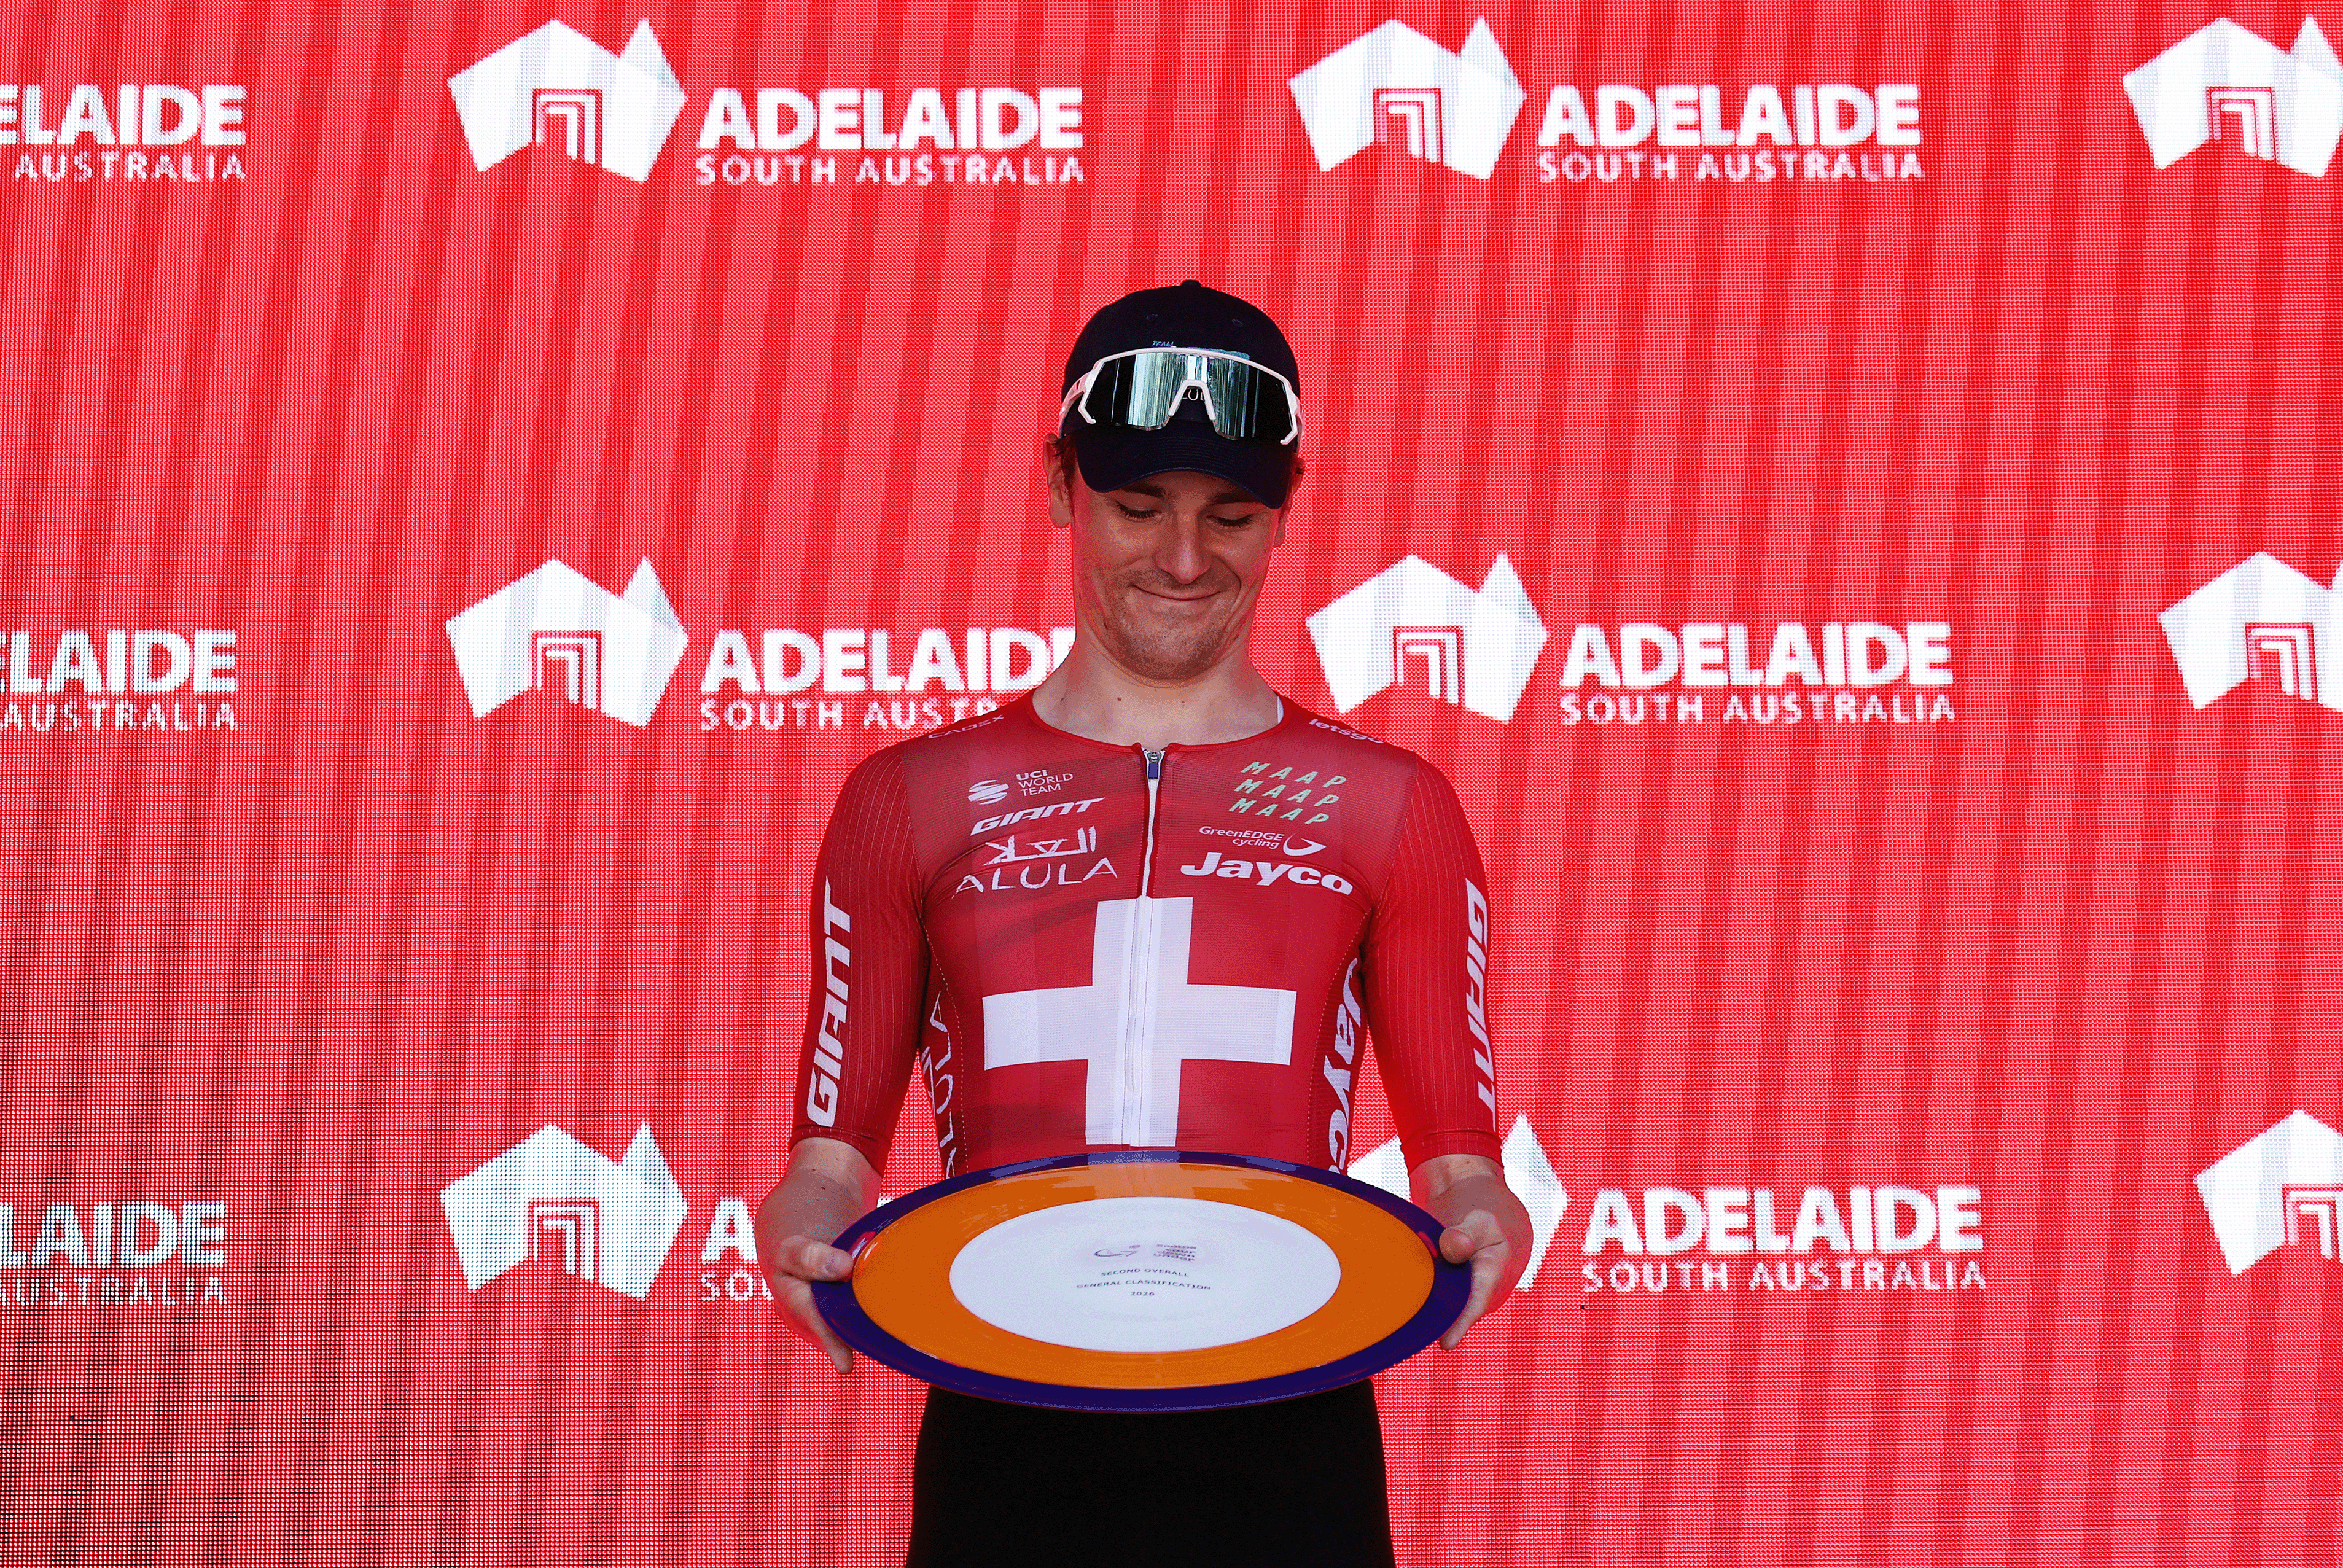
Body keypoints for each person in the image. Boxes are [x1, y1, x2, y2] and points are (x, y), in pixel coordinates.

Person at [757, 281, 1533, 1567]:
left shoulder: (1391, 804)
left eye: (1231, 515)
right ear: (1059, 484)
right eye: (1136, 506)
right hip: (1005, 1418)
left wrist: (1487, 1217)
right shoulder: (908, 797)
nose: (1183, 560)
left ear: (1287, 506)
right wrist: (799, 1219)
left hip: (1291, 1418)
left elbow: (1460, 1164)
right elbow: (832, 1158)